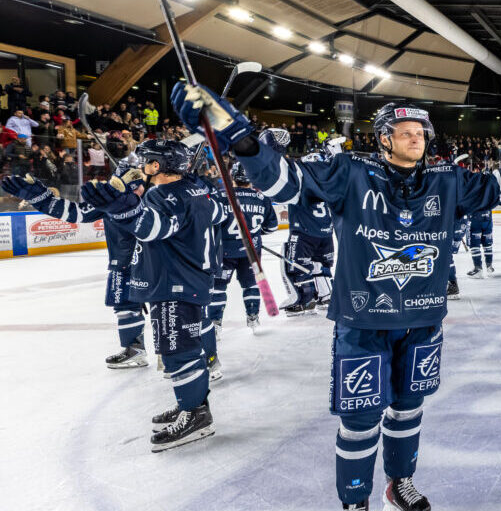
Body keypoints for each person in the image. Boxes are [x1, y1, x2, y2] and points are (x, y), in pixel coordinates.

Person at [170, 82, 501, 511]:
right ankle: (354, 505)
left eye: (420, 130)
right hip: (362, 321)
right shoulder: (349, 172)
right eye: (404, 132)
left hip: (422, 320)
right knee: (359, 419)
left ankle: (399, 487)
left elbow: (499, 189)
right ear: (382, 138)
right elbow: (284, 182)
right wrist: (239, 135)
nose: (416, 138)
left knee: (408, 409)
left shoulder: (447, 179)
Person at [80, 139, 230, 451]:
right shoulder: (196, 189)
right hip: (190, 279)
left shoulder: (164, 194)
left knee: (178, 352)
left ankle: (196, 416)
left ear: (157, 166)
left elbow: (153, 229)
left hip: (174, 281)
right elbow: (218, 213)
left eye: (146, 160)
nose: (142, 165)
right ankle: (190, 403)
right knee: (181, 349)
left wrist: (121, 208)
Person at [1, 155, 149, 368]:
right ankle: (135, 350)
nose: (138, 191)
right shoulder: (111, 200)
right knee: (125, 305)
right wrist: (38, 196)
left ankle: (186, 353)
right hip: (124, 264)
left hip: (156, 263)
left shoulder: (156, 197)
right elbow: (74, 213)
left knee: (171, 305)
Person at [268, 128, 338, 316]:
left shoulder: (301, 183)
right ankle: (326, 295)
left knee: (295, 267)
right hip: (326, 234)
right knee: (321, 267)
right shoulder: (328, 185)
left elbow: (282, 193)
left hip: (304, 233)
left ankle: (303, 300)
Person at [208, 163, 277, 333]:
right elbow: (272, 227)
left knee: (219, 285)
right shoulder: (262, 198)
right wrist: (254, 233)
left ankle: (215, 321)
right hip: (251, 251)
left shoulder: (221, 196)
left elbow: (211, 221)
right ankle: (253, 315)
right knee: (251, 284)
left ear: (233, 177)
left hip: (224, 251)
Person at [466, 208, 495, 277]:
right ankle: (489, 266)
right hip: (487, 218)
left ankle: (478, 267)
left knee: (474, 245)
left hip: (475, 219)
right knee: (487, 243)